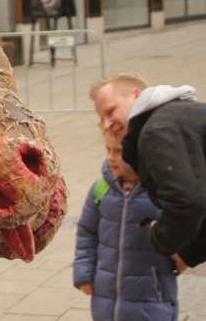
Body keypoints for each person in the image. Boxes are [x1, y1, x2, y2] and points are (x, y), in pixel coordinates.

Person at [91, 73, 206, 274]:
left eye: (111, 111)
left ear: (136, 96)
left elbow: (187, 204)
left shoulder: (157, 129)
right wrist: (189, 252)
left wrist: (161, 239)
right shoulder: (174, 116)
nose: (108, 124)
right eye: (102, 120)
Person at [73, 127, 179, 321]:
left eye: (119, 151)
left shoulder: (160, 192)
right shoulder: (101, 189)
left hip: (151, 299)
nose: (111, 157)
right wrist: (84, 271)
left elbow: (181, 230)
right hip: (106, 300)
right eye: (108, 150)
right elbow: (87, 233)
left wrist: (181, 257)